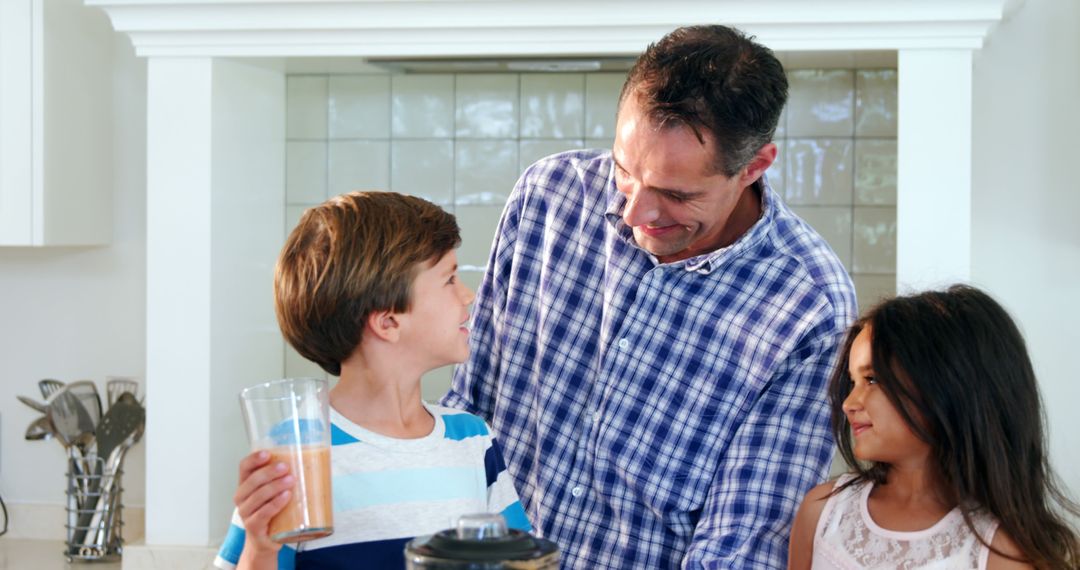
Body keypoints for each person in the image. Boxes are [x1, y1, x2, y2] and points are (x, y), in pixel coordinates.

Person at [442, 25, 857, 567]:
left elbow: (743, 543)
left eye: (677, 194)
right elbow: (469, 414)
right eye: (624, 171)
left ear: (754, 167)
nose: (635, 213)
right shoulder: (548, 197)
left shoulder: (809, 306)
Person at [213, 192, 530, 570]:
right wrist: (260, 548)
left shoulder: (472, 440)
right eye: (450, 279)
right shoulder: (298, 453)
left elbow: (521, 560)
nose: (469, 295)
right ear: (388, 322)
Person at [788, 285, 1080, 569]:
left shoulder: (1002, 552)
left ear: (948, 385)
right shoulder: (823, 514)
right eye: (853, 382)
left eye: (872, 380)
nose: (849, 402)